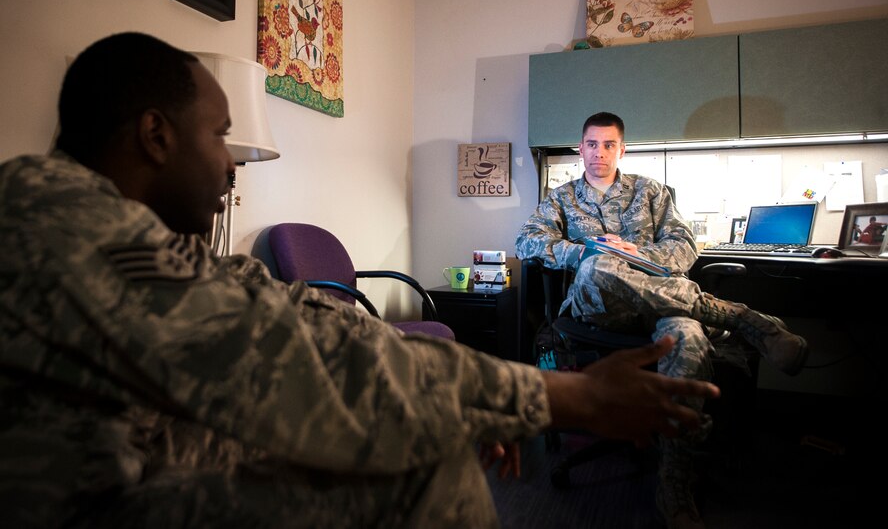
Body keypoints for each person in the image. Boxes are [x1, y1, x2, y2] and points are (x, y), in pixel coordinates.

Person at [0, 34, 719, 528]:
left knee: (419, 428)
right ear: (156, 136)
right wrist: (559, 395)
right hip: (85, 497)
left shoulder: (122, 227)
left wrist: (468, 403)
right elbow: (277, 352)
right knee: (423, 467)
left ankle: (715, 344)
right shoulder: (53, 218)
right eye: (220, 136)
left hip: (149, 443)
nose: (231, 163)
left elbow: (284, 307)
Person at [516, 112, 809, 529]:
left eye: (609, 144)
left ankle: (675, 484)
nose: (599, 153)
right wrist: (583, 252)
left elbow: (684, 247)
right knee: (599, 266)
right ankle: (740, 318)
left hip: (662, 307)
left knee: (688, 335)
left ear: (623, 149)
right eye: (591, 144)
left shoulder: (651, 192)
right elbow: (527, 241)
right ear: (580, 148)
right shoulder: (561, 198)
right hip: (596, 307)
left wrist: (635, 254)